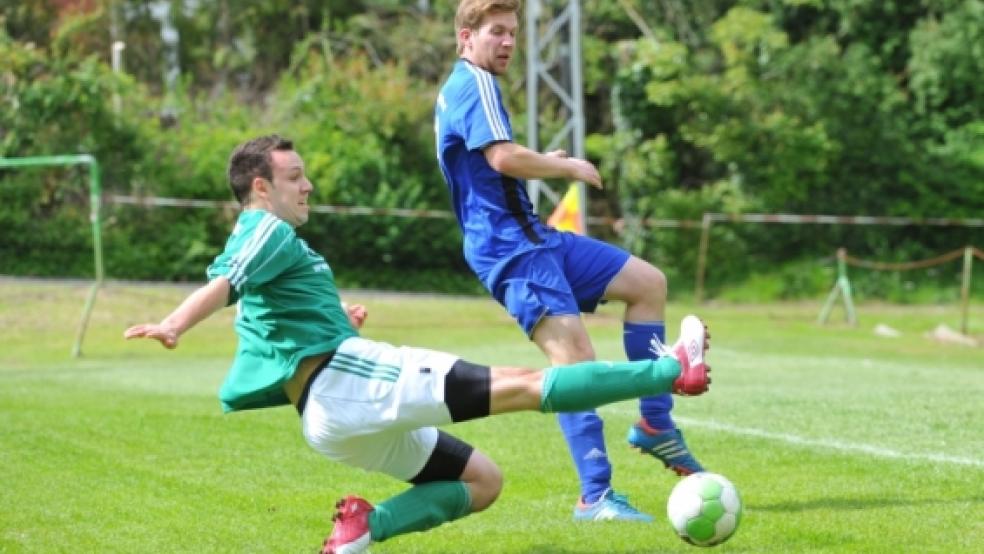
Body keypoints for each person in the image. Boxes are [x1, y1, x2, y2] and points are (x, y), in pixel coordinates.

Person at [123, 135, 712, 553]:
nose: (308, 185)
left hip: (326, 419)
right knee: (530, 386)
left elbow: (275, 328)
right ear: (261, 185)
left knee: (482, 482)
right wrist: (175, 322)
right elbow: (227, 283)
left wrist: (337, 322)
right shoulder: (267, 228)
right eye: (295, 175)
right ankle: (671, 371)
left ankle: (362, 531)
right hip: (351, 381)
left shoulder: (261, 237)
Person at [434, 0, 708, 522]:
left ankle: (655, 424)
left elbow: (496, 162)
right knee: (575, 364)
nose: (509, 42)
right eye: (497, 32)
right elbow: (503, 158)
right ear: (465, 38)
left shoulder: (462, 86)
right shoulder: (475, 83)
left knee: (647, 283)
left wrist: (546, 161)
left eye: (513, 33)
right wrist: (570, 169)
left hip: (536, 238)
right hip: (511, 252)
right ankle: (595, 496)